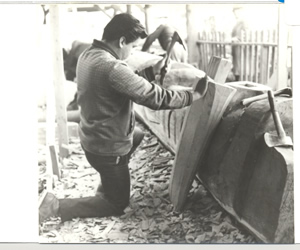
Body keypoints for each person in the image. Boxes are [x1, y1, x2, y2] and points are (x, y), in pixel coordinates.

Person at [39, 13, 205, 224]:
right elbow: (154, 97)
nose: (132, 52)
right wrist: (192, 96)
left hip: (91, 138)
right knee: (116, 203)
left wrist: (152, 72)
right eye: (133, 47)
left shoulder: (89, 55)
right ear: (122, 41)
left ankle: (111, 177)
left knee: (137, 134)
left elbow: (120, 84)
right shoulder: (113, 67)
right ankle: (55, 205)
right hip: (107, 148)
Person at [231, 6, 248, 81]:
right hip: (235, 48)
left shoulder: (244, 22)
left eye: (237, 12)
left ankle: (241, 80)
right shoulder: (236, 24)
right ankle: (237, 79)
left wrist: (238, 38)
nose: (235, 14)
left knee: (240, 67)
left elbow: (246, 35)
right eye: (234, 12)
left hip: (241, 49)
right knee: (236, 66)